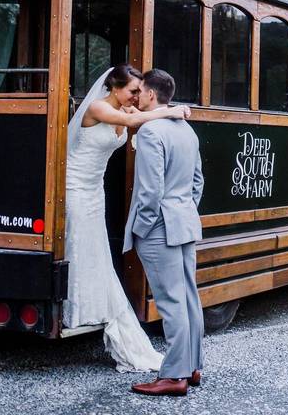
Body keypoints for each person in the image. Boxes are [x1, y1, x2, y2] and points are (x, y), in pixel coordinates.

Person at [63, 63, 191, 372]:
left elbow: (136, 118)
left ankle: (92, 308)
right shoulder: (98, 107)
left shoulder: (125, 109)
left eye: (138, 91)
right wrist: (171, 111)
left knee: (98, 252)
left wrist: (163, 113)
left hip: (95, 190)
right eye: (132, 90)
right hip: (75, 186)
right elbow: (136, 119)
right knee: (80, 247)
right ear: (114, 87)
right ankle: (76, 308)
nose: (136, 96)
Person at [123, 69, 205, 397]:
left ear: (152, 95)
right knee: (188, 297)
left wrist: (141, 228)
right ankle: (192, 367)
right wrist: (183, 209)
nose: (138, 97)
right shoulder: (187, 130)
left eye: (140, 91)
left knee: (171, 302)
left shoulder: (149, 132)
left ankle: (174, 376)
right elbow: (197, 181)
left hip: (159, 228)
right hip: (183, 221)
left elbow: (149, 189)